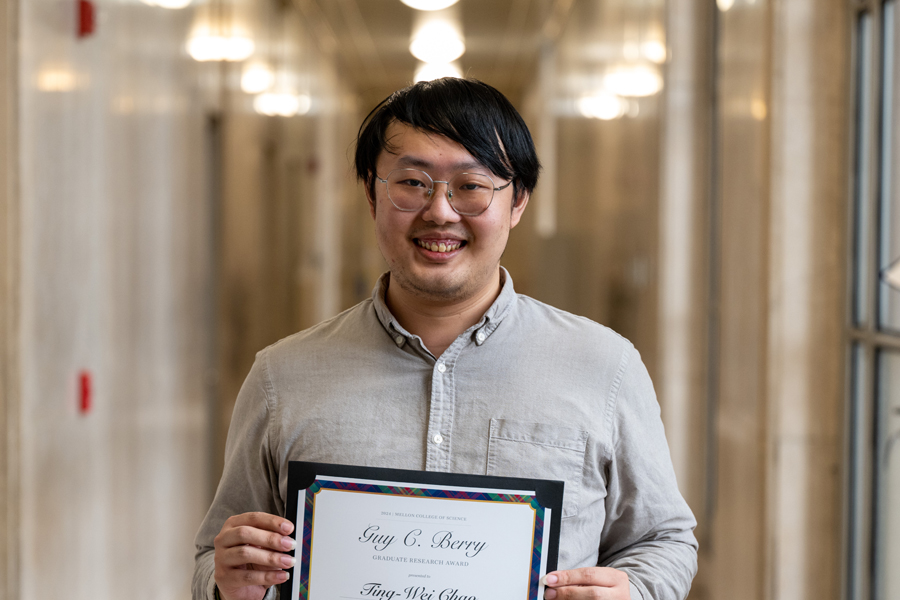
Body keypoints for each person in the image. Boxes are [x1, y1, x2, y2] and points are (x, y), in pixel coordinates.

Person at [193, 77, 697, 600]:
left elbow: (663, 539)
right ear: (371, 194)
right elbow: (215, 556)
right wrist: (226, 582)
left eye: (471, 186)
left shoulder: (603, 365)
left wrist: (634, 591)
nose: (440, 211)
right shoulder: (283, 376)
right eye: (412, 183)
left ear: (518, 201)